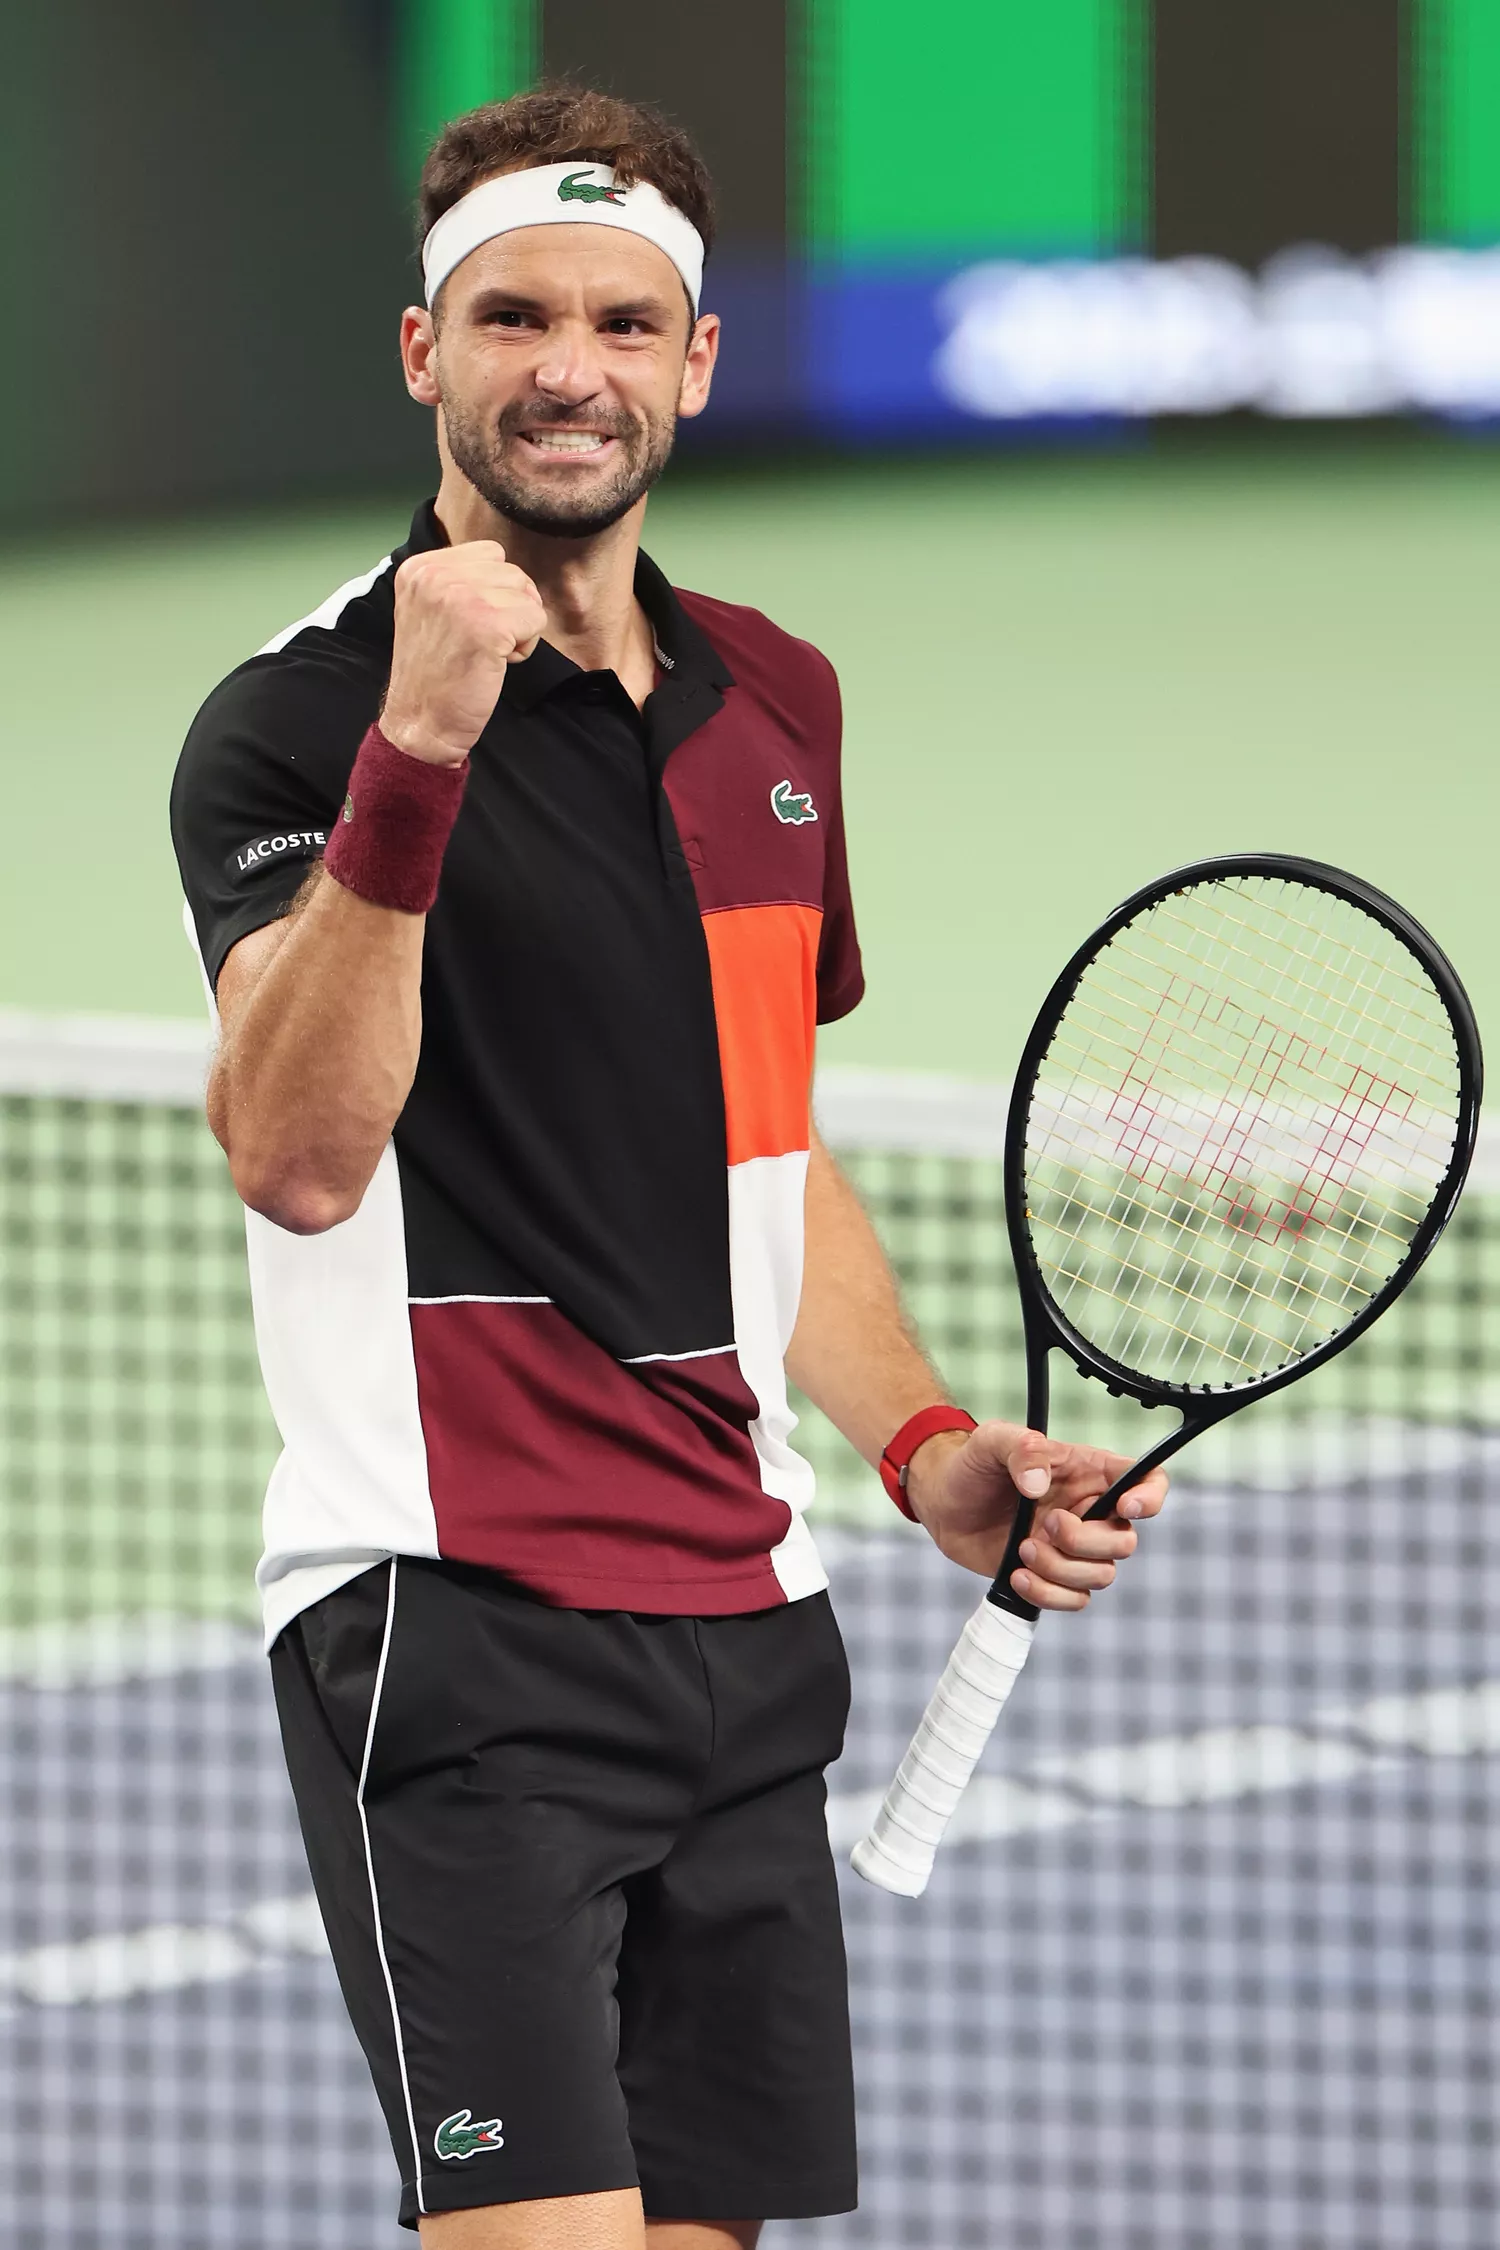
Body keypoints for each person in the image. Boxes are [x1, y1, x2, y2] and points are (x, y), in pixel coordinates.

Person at [170, 85, 1167, 2250]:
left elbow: (764, 1151)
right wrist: (418, 751)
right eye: (514, 313)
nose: (570, 366)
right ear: (423, 352)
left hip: (748, 1632)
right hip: (460, 1634)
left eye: (627, 323)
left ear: (694, 366)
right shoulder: (290, 724)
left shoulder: (773, 706)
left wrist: (916, 1447)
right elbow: (301, 1156)